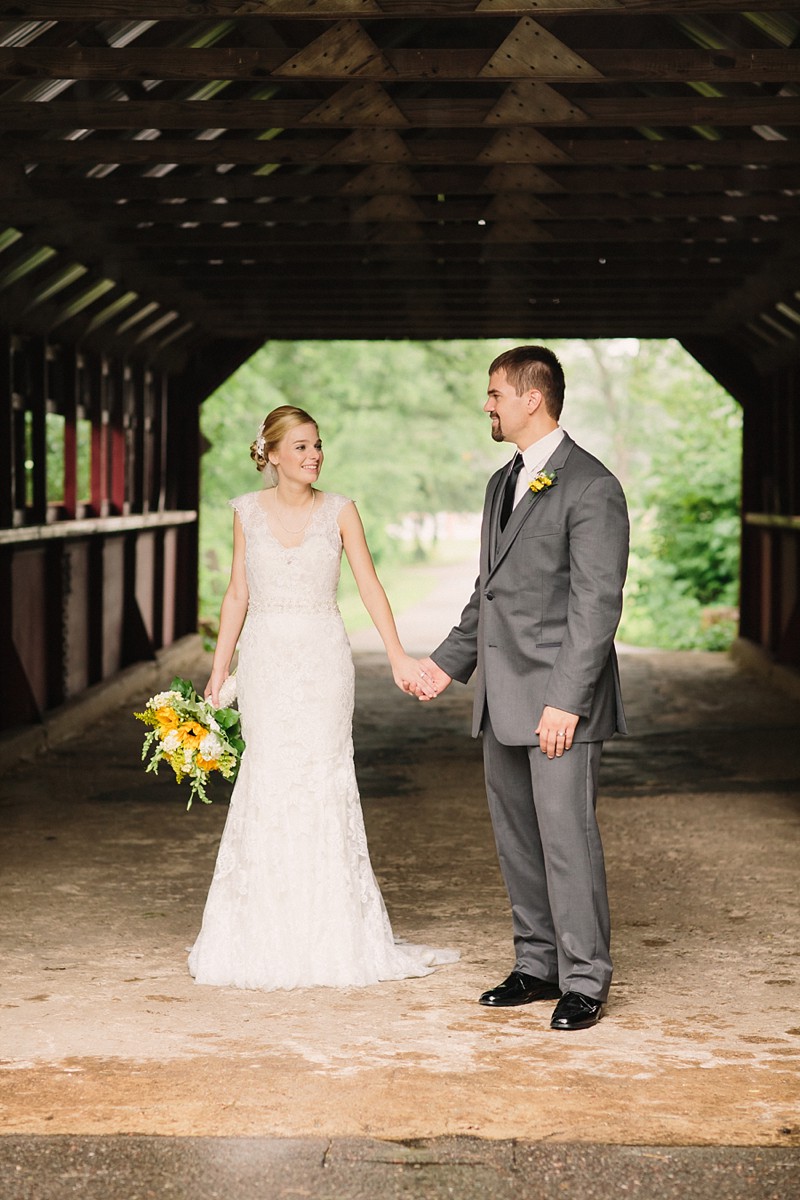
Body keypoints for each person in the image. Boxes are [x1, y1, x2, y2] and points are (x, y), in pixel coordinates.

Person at [189, 404, 458, 990]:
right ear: (274, 453)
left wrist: (397, 656)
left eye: (318, 445)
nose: (314, 456)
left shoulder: (341, 511)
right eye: (303, 446)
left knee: (323, 777)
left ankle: (333, 935)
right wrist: (219, 672)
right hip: (263, 660)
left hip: (322, 658)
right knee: (267, 777)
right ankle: (258, 934)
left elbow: (368, 584)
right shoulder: (244, 513)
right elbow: (237, 594)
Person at [416, 346, 628, 1030]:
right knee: (518, 840)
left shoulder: (592, 487)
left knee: (568, 840)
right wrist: (446, 665)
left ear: (532, 398)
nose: (488, 405)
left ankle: (585, 979)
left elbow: (597, 605)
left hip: (560, 703)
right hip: (499, 699)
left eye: (495, 393)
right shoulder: (500, 483)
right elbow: (490, 594)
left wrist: (565, 699)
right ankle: (537, 966)